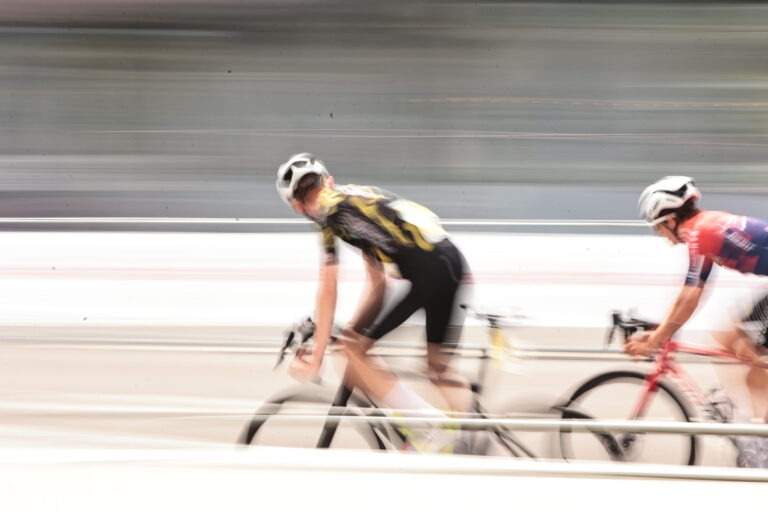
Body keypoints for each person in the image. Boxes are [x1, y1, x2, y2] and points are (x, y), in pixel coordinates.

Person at [275, 152, 485, 454]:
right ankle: (479, 444)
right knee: (437, 367)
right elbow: (378, 284)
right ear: (328, 180)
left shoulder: (329, 214)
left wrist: (318, 357)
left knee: (354, 351)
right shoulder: (355, 199)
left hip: (428, 273)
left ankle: (430, 429)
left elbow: (329, 289)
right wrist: (353, 332)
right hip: (451, 262)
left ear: (297, 207)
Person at [626, 175, 768, 467]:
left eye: (657, 228)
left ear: (669, 220)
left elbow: (691, 296)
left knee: (757, 365)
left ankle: (761, 445)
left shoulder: (700, 232)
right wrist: (660, 331)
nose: (662, 237)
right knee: (729, 337)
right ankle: (751, 427)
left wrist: (656, 339)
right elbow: (688, 295)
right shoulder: (706, 226)